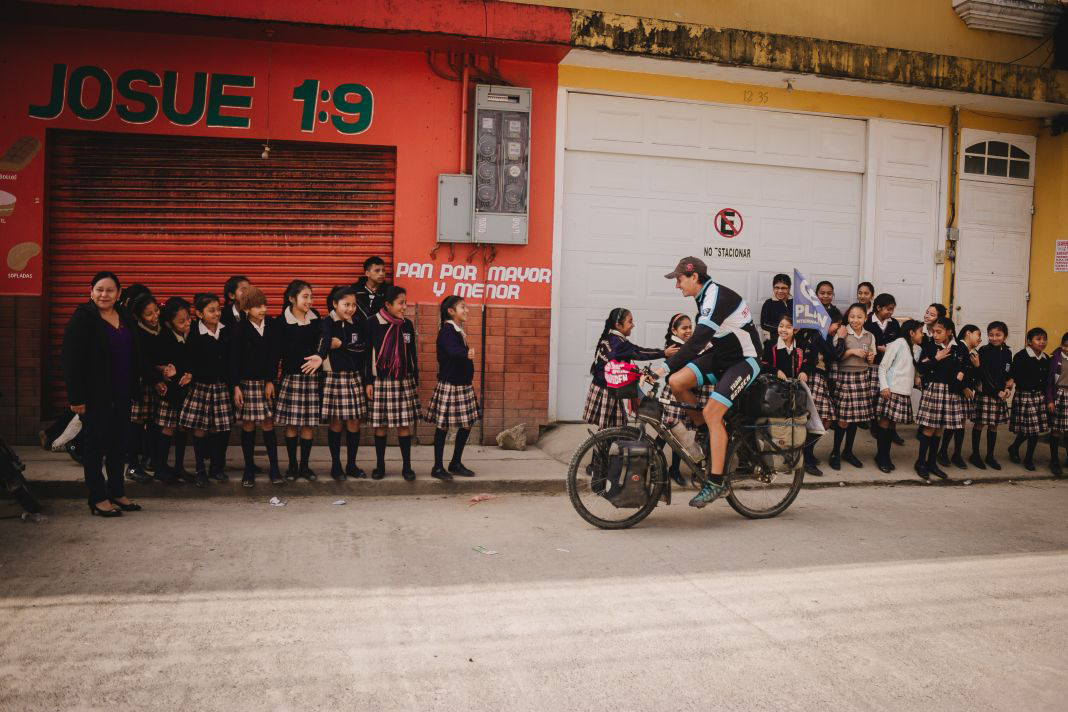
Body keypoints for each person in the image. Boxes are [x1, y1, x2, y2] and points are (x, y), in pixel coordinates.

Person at [660, 257, 762, 509]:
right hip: (722, 356)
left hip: (744, 360)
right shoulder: (703, 297)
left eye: (679, 279)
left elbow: (696, 342)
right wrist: (668, 372)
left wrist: (661, 367)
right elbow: (702, 344)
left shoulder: (716, 297)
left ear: (694, 277)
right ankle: (706, 436)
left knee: (712, 412)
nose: (677, 285)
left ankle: (717, 482)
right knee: (677, 381)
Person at [61, 271, 142, 517]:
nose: (104, 294)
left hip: (122, 392)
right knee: (95, 447)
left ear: (118, 293)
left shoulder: (125, 316)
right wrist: (76, 398)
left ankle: (117, 491)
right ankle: (98, 498)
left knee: (119, 444)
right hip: (95, 396)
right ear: (91, 291)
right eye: (99, 289)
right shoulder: (83, 319)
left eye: (109, 290)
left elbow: (136, 353)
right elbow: (70, 361)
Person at [583, 307, 673, 430]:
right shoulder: (619, 343)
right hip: (608, 391)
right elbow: (639, 352)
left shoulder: (608, 337)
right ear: (618, 325)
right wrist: (664, 353)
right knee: (614, 427)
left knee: (611, 426)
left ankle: (603, 446)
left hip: (600, 386)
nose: (633, 325)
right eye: (630, 322)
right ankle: (603, 446)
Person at [178, 293, 234, 487]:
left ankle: (217, 467)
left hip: (221, 387)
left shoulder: (226, 331)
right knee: (200, 428)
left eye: (218, 309)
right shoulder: (192, 332)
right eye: (211, 310)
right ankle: (200, 467)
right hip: (200, 386)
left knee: (221, 429)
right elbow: (188, 359)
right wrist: (191, 373)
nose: (216, 313)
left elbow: (230, 361)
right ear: (199, 313)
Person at [230, 286, 283, 486]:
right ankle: (249, 469)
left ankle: (275, 468)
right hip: (246, 383)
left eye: (264, 305)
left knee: (268, 423)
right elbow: (233, 360)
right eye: (256, 306)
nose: (262, 309)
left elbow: (274, 356)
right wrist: (235, 386)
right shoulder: (239, 329)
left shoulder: (271, 326)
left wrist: (270, 380)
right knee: (248, 425)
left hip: (266, 382)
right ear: (246, 309)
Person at [365, 285, 420, 480]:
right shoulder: (373, 323)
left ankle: (407, 467)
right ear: (388, 304)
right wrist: (368, 381)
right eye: (400, 303)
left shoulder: (407, 325)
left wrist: (415, 377)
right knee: (380, 425)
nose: (404, 307)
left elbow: (412, 353)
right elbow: (366, 354)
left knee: (403, 425)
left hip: (403, 380)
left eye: (405, 302)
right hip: (381, 380)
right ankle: (380, 466)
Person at [424, 296, 481, 481]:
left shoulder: (457, 330)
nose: (467, 310)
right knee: (443, 426)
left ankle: (455, 462)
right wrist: (467, 353)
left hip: (463, 385)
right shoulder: (448, 330)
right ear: (450, 311)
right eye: (462, 307)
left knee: (466, 424)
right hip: (450, 385)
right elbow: (452, 352)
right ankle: (437, 467)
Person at [319, 286, 370, 481]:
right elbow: (325, 345)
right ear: (335, 304)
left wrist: (342, 345)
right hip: (334, 376)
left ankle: (351, 464)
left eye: (353, 305)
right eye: (346, 304)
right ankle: (336, 465)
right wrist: (343, 347)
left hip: (354, 376)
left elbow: (362, 348)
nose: (350, 309)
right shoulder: (327, 322)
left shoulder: (358, 321)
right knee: (336, 422)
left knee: (354, 421)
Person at [275, 280, 324, 480]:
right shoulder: (281, 322)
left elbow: (322, 345)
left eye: (311, 297)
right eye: (305, 297)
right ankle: (292, 467)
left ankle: (304, 466)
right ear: (292, 299)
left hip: (311, 380)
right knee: (292, 425)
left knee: (307, 425)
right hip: (291, 379)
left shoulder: (316, 319)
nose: (309, 301)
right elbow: (276, 354)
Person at [914, 316, 967, 480]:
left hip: (951, 392)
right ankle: (921, 462)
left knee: (939, 429)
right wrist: (935, 359)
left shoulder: (959, 348)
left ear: (949, 332)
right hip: (935, 389)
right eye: (933, 332)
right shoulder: (930, 346)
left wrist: (962, 374)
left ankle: (932, 463)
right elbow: (921, 367)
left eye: (939, 332)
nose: (935, 335)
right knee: (929, 428)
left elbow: (964, 365)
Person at [828, 303, 876, 470]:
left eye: (859, 317)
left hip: (862, 377)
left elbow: (872, 358)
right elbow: (835, 355)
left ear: (865, 318)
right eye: (852, 316)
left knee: (855, 419)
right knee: (843, 419)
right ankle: (835, 452)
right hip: (845, 377)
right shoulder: (842, 333)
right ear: (848, 317)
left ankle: (848, 452)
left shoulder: (869, 335)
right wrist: (852, 352)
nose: (855, 320)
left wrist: (870, 357)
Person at [798, 309, 845, 477]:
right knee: (820, 419)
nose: (837, 328)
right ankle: (806, 456)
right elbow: (835, 355)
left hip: (820, 380)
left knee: (824, 419)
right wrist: (842, 339)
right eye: (836, 325)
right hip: (814, 379)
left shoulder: (822, 336)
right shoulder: (819, 336)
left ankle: (807, 453)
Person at [875, 320, 924, 473]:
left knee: (892, 425)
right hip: (890, 390)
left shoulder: (917, 349)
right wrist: (884, 386)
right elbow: (883, 366)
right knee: (884, 422)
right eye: (920, 331)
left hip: (904, 391)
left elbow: (912, 368)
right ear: (911, 333)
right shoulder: (898, 344)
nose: (923, 334)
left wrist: (917, 378)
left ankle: (885, 456)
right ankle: (881, 457)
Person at [153, 297, 193, 482]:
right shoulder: (165, 338)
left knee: (183, 427)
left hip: (184, 389)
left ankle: (179, 466)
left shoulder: (189, 335)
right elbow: (163, 366)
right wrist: (174, 373)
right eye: (181, 321)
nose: (186, 323)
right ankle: (160, 467)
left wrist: (190, 373)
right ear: (169, 323)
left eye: (188, 318)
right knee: (168, 427)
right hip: (170, 391)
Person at [127, 291, 163, 483]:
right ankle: (132, 465)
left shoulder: (160, 327)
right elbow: (140, 361)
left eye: (156, 311)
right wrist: (156, 378)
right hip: (142, 384)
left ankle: (150, 458)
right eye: (149, 314)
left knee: (155, 422)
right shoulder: (136, 332)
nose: (154, 316)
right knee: (137, 423)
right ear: (138, 316)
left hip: (158, 382)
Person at [970, 321, 1013, 470]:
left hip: (1000, 394)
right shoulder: (984, 350)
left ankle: (990, 456)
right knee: (980, 424)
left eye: (998, 335)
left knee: (994, 426)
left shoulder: (1007, 352)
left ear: (1005, 336)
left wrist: (1008, 386)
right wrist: (997, 391)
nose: (994, 338)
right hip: (987, 393)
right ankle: (975, 455)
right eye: (991, 335)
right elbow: (984, 374)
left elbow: (1008, 372)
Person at [938, 324, 981, 468]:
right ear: (968, 333)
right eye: (978, 335)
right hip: (956, 391)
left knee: (961, 423)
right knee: (952, 423)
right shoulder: (958, 348)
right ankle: (942, 452)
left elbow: (970, 373)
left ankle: (957, 454)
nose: (980, 339)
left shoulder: (972, 352)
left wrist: (976, 367)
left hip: (965, 393)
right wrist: (963, 388)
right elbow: (953, 371)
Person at [658, 313, 693, 486]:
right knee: (667, 433)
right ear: (674, 330)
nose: (688, 331)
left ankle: (673, 469)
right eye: (684, 328)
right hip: (673, 395)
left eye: (690, 327)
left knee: (678, 434)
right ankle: (655, 464)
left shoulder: (686, 345)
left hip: (683, 394)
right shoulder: (675, 347)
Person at [1008, 327, 1050, 471]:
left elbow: (1046, 380)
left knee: (1032, 429)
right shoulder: (1021, 356)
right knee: (1031, 429)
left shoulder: (1045, 358)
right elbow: (1014, 374)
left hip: (1039, 396)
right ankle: (1027, 458)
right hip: (1024, 395)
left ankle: (1015, 449)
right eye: (1038, 339)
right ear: (1029, 342)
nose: (1042, 342)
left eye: (1044, 339)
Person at [866, 293, 902, 445]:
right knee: (873, 396)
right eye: (888, 309)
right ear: (878, 307)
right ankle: (874, 425)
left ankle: (891, 430)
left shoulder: (893, 323)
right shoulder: (867, 321)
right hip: (872, 365)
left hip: (889, 367)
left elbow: (899, 344)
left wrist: (887, 349)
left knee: (889, 398)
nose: (890, 313)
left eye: (892, 309)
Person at [1047, 331, 1068, 477]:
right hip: (1059, 395)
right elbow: (1049, 382)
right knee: (1056, 429)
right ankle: (1054, 461)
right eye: (1066, 345)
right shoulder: (1056, 358)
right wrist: (1050, 400)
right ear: (1062, 345)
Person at [759, 273, 793, 343]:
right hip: (774, 343)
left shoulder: (796, 303)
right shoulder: (769, 303)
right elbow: (764, 324)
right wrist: (786, 327)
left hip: (793, 343)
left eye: (783, 288)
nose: (780, 291)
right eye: (776, 287)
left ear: (789, 288)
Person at [353, 256, 388, 321]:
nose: (381, 274)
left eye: (383, 270)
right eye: (377, 271)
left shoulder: (388, 291)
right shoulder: (354, 290)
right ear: (367, 273)